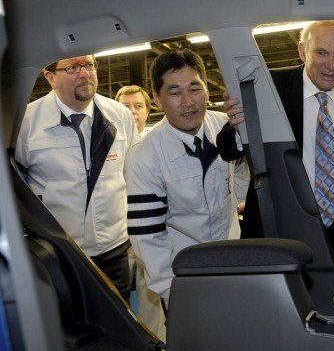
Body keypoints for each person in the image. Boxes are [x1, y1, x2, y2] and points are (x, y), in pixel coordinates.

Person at [225, 20, 334, 304]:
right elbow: (228, 149)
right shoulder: (269, 86)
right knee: (281, 309)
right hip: (281, 222)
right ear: (302, 51)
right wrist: (238, 127)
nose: (331, 64)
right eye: (321, 53)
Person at [125, 49, 243, 307]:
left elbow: (245, 179)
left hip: (234, 264)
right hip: (184, 276)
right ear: (157, 99)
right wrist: (175, 295)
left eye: (195, 88)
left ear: (207, 91)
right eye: (175, 93)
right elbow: (147, 237)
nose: (188, 102)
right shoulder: (144, 157)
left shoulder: (228, 129)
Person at [15, 55, 138, 300]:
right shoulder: (27, 122)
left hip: (113, 249)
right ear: (50, 77)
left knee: (120, 319)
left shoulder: (119, 116)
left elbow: (133, 175)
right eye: (72, 67)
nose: (84, 73)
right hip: (60, 253)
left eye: (89, 65)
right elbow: (18, 186)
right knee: (68, 321)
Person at [115, 85, 166, 339]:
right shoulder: (110, 143)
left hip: (149, 226)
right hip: (116, 232)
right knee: (117, 294)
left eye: (138, 106)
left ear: (147, 111)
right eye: (125, 106)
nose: (132, 112)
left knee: (151, 292)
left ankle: (154, 340)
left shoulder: (157, 142)